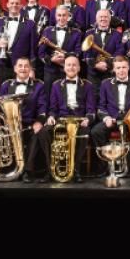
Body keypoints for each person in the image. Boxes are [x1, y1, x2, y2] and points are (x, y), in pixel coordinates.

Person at [0, 56, 50, 184]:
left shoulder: (39, 85)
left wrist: (39, 121)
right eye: (20, 66)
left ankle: (27, 171)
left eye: (26, 66)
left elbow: (42, 106)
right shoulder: (6, 85)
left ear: (30, 69)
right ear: (15, 68)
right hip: (8, 124)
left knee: (36, 135)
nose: (23, 68)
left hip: (28, 123)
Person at [44, 55, 97, 183]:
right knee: (44, 132)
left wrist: (88, 119)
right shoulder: (56, 85)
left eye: (74, 65)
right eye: (68, 65)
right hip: (61, 120)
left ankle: (76, 169)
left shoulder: (88, 85)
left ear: (79, 68)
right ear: (64, 67)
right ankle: (51, 169)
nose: (71, 67)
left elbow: (91, 109)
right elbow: (52, 108)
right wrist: (51, 116)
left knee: (85, 133)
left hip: (79, 120)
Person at [90, 55, 130, 176]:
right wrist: (106, 118)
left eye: (124, 67)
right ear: (113, 69)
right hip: (112, 120)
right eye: (118, 68)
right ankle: (105, 166)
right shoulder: (105, 83)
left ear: (128, 68)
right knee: (96, 131)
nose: (121, 70)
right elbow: (101, 106)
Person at [0, 0, 36, 91]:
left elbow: (33, 49)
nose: (14, 5)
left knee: (21, 92)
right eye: (12, 3)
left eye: (17, 3)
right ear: (7, 5)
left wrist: (32, 68)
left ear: (21, 6)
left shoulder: (30, 24)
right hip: (2, 65)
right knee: (1, 92)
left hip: (22, 67)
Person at [37, 5, 83, 94]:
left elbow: (78, 52)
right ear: (55, 16)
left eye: (64, 15)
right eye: (59, 15)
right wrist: (51, 59)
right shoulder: (47, 30)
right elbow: (41, 53)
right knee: (49, 98)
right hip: (50, 71)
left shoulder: (76, 32)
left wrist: (66, 56)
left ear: (68, 17)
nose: (61, 18)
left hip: (69, 71)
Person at [81, 9, 124, 100]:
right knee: (92, 97)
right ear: (96, 19)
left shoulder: (117, 34)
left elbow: (120, 52)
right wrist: (96, 65)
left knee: (110, 97)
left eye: (106, 17)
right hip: (93, 73)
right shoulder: (88, 33)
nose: (103, 19)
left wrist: (107, 63)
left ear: (109, 19)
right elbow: (85, 53)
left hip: (110, 72)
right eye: (101, 17)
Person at [20, 0, 51, 81]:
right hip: (25, 45)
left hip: (40, 44)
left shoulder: (45, 10)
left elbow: (48, 27)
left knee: (39, 72)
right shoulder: (21, 10)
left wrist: (41, 40)